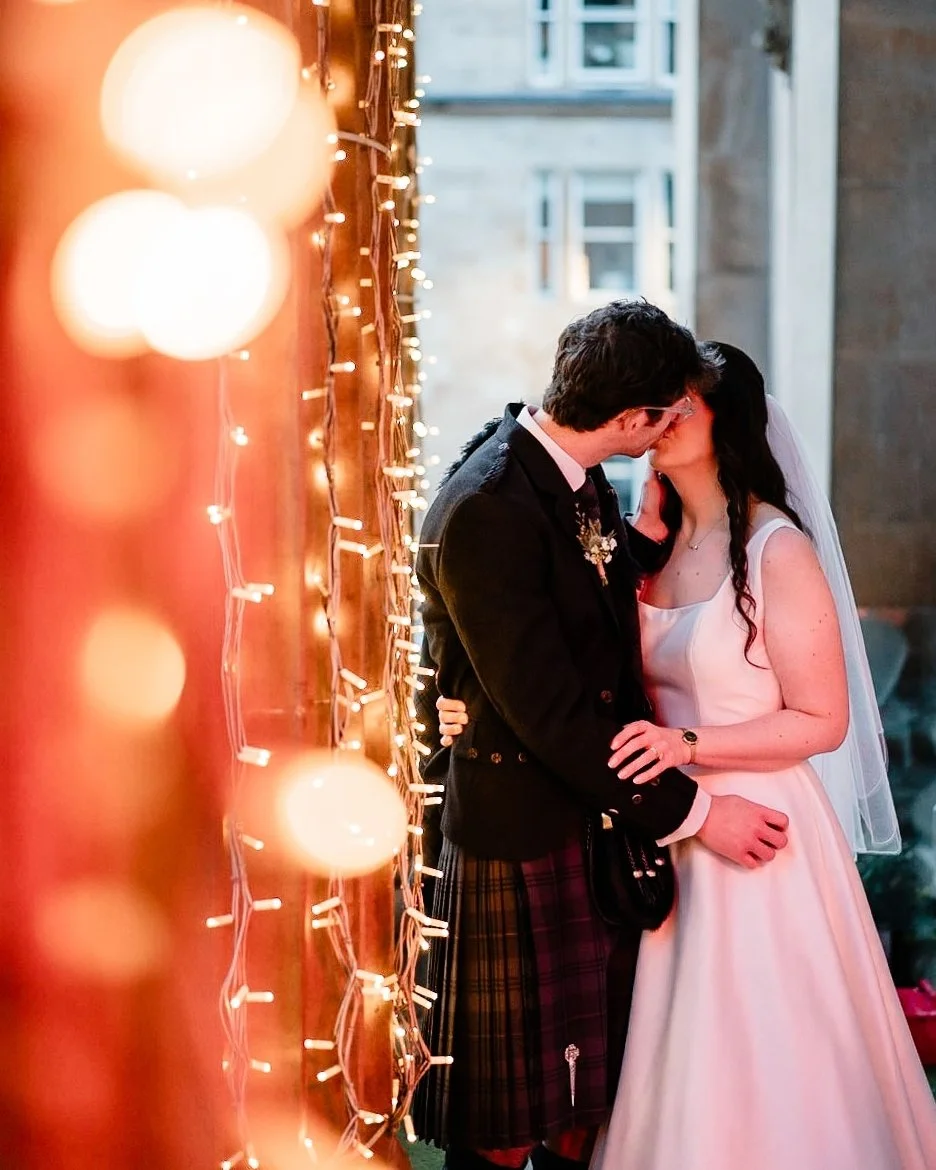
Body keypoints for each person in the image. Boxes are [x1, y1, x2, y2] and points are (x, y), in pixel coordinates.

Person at [439, 342, 936, 1169]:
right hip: (660, 826)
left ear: (726, 425)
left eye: (686, 405)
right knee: (655, 1059)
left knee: (764, 1048)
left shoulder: (780, 551)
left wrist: (689, 745)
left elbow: (823, 720)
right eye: (660, 404)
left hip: (758, 830)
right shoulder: (648, 539)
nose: (666, 417)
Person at [412, 303, 791, 1170]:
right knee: (508, 1130)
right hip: (521, 830)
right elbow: (550, 714)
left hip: (588, 819)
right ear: (630, 420)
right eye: (665, 413)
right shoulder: (488, 507)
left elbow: (588, 587)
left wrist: (653, 545)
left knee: (587, 1109)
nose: (669, 428)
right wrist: (696, 813)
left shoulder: (565, 472)